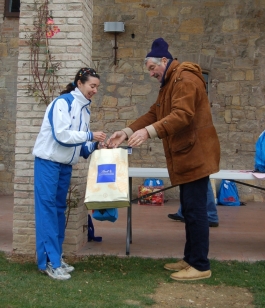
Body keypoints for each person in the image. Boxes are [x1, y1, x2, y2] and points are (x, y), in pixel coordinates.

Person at [107, 38, 220, 281]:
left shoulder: (185, 80)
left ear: (165, 61)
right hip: (188, 157)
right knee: (189, 210)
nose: (150, 74)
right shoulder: (170, 83)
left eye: (151, 68)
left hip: (195, 156)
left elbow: (182, 115)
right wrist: (125, 132)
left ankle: (200, 265)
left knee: (196, 211)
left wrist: (147, 132)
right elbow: (154, 113)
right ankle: (190, 258)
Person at [32, 68, 106, 280]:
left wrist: (96, 146)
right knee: (47, 211)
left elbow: (79, 148)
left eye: (97, 87)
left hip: (64, 166)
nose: (94, 90)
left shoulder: (85, 110)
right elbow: (61, 136)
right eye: (92, 85)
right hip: (48, 163)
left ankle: (55, 258)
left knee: (57, 211)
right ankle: (50, 263)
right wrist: (91, 134)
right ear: (79, 83)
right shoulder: (63, 103)